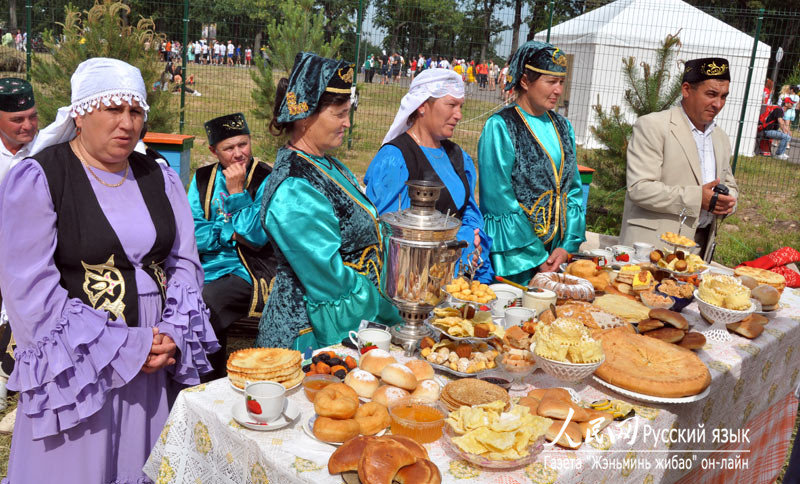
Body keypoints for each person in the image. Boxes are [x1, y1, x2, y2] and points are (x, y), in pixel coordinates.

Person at [0, 57, 218, 483]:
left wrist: (172, 330)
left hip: (154, 364)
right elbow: (30, 292)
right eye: (113, 109)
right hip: (77, 371)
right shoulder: (42, 178)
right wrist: (123, 348)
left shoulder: (158, 174)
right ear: (80, 113)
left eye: (135, 111)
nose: (127, 123)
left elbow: (184, 261)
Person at [258, 52, 401, 350]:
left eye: (348, 112)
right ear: (305, 115)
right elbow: (331, 281)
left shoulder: (325, 164)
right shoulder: (294, 187)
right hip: (309, 335)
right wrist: (390, 313)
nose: (347, 123)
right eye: (339, 114)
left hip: (349, 321)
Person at [365, 69, 495, 283]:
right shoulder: (396, 159)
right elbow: (389, 234)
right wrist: (455, 245)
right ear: (422, 105)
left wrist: (471, 238)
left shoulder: (458, 157)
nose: (459, 115)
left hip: (462, 278)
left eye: (461, 106)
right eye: (451, 105)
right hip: (415, 285)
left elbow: (470, 212)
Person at [477, 41, 585, 285]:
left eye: (561, 82)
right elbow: (498, 199)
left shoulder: (563, 126)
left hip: (557, 258)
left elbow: (573, 189)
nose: (558, 90)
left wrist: (567, 245)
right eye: (550, 82)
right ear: (525, 81)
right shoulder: (502, 127)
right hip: (517, 258)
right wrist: (537, 257)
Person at [620, 57, 738, 260]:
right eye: (711, 94)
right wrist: (698, 198)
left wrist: (728, 202)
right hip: (652, 249)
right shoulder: (652, 126)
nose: (718, 104)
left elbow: (729, 184)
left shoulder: (720, 137)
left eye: (724, 96)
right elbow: (639, 188)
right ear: (686, 89)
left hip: (697, 251)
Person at [188, 113, 275, 380]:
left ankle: (209, 380)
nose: (239, 154)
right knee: (180, 298)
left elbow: (256, 236)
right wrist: (228, 232)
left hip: (250, 269)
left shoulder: (265, 177)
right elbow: (190, 231)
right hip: (207, 266)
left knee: (208, 302)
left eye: (243, 144)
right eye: (229, 148)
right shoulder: (203, 179)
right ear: (214, 151)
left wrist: (237, 193)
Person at [0, 78, 39, 427]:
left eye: (32, 117)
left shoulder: (47, 148)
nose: (27, 125)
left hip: (37, 252)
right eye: (17, 120)